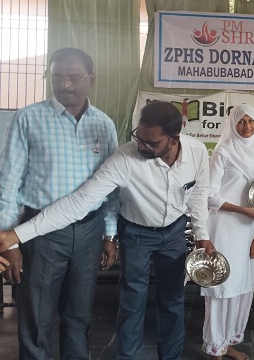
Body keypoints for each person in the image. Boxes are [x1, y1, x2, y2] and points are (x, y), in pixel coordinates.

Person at [0, 101, 215, 360]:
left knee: (172, 299)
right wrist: (17, 234)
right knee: (132, 300)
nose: (142, 147)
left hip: (174, 233)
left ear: (174, 139)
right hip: (136, 233)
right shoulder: (124, 159)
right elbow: (79, 203)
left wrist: (202, 235)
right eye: (139, 138)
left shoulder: (197, 151)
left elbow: (198, 194)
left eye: (151, 143)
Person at [0, 47, 119, 359]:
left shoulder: (104, 124)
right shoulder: (29, 119)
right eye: (56, 77)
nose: (65, 84)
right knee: (37, 315)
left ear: (91, 78)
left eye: (74, 77)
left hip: (89, 231)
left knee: (79, 314)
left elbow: (111, 186)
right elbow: (8, 183)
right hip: (41, 233)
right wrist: (10, 242)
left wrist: (109, 234)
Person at [201, 104, 254, 360]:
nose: (247, 126)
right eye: (241, 121)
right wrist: (244, 211)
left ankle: (227, 343)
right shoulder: (223, 152)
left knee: (242, 286)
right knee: (222, 286)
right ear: (232, 123)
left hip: (249, 231)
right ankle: (215, 348)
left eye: (251, 121)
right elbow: (209, 196)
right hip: (225, 228)